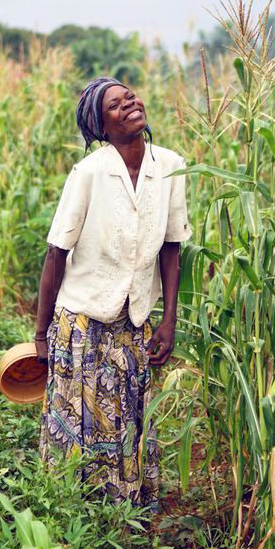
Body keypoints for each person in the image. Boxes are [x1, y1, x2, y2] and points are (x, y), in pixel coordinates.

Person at [34, 76, 191, 508]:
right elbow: (55, 253)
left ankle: (127, 510)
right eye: (116, 105)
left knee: (129, 418)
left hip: (136, 319)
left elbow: (173, 245)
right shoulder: (88, 173)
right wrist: (41, 335)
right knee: (79, 421)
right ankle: (75, 510)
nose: (130, 105)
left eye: (131, 97)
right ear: (102, 127)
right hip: (84, 319)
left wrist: (169, 318)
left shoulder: (171, 166)